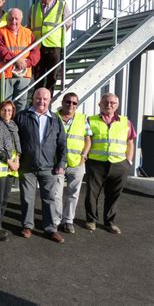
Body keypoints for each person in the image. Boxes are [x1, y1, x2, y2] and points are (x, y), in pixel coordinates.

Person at [15, 88, 66, 243]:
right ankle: (27, 226)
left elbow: (62, 143)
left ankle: (51, 229)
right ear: (33, 98)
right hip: (27, 166)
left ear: (49, 100)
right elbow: (14, 139)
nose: (41, 102)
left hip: (49, 167)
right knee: (27, 198)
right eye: (38, 98)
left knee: (49, 198)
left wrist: (61, 163)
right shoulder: (22, 116)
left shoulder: (55, 119)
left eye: (45, 99)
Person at [85, 93, 136, 234]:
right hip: (96, 163)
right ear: (99, 104)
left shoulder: (126, 122)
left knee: (113, 195)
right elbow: (86, 140)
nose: (109, 105)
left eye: (113, 103)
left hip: (119, 164)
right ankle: (91, 220)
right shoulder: (91, 120)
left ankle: (109, 222)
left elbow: (130, 142)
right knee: (92, 194)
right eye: (106, 102)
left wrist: (129, 161)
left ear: (117, 105)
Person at [55, 92, 92, 234]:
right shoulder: (53, 117)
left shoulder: (83, 119)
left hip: (77, 163)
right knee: (56, 194)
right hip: (57, 163)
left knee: (73, 194)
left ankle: (68, 221)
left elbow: (87, 139)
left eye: (74, 103)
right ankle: (57, 220)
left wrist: (84, 156)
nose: (71, 105)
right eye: (68, 102)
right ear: (62, 102)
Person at [29, 0, 72, 96]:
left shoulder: (61, 6)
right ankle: (37, 99)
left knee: (52, 76)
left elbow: (68, 24)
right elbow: (30, 27)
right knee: (38, 75)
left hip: (54, 46)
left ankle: (48, 100)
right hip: (38, 47)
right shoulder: (33, 8)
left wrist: (55, 35)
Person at [0, 8, 40, 112]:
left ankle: (19, 127)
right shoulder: (0, 32)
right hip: (6, 73)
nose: (13, 21)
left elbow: (35, 52)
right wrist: (16, 60)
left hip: (24, 73)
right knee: (5, 105)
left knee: (21, 104)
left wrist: (27, 63)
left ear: (21, 19)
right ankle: (6, 127)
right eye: (10, 19)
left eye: (16, 19)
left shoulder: (28, 32)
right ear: (6, 19)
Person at [0, 100, 21, 242]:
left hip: (11, 167)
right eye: (4, 110)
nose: (7, 113)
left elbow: (17, 146)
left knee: (6, 199)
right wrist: (10, 162)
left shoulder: (14, 126)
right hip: (1, 167)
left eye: (9, 110)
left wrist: (17, 160)